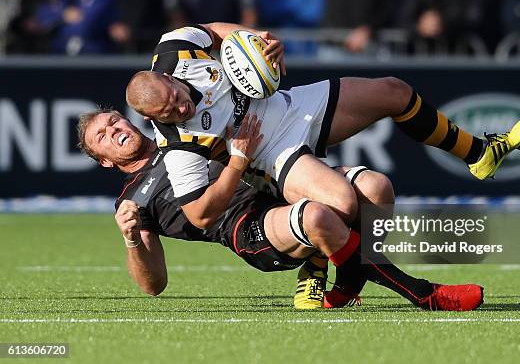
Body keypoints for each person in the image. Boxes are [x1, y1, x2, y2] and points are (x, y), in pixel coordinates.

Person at [77, 108, 484, 311]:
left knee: (376, 186)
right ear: (105, 161)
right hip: (246, 226)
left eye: (115, 121)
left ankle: (343, 283)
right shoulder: (134, 199)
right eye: (104, 136)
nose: (116, 130)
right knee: (317, 216)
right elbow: (154, 285)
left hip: (273, 186)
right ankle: (424, 294)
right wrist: (131, 240)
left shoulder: (180, 133)